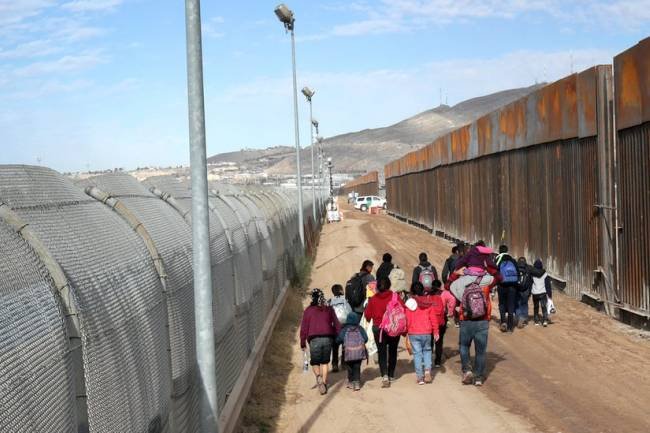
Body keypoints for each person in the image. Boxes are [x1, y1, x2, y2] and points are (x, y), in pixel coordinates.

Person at [458, 268, 501, 386]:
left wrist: (456, 273)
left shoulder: (462, 282)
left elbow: (448, 287)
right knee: (481, 351)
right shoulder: (487, 283)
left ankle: (467, 371)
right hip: (482, 320)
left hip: (466, 319)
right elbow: (499, 277)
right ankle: (478, 378)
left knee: (464, 346)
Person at [300, 289, 342, 395]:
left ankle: (318, 377)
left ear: (312, 298)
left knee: (315, 362)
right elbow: (337, 324)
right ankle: (323, 382)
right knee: (324, 362)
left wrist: (302, 342)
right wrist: (339, 335)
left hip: (314, 339)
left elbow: (304, 327)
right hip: (328, 338)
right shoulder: (329, 309)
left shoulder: (308, 310)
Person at [364, 277, 403, 388]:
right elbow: (403, 309)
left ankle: (384, 375)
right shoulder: (395, 296)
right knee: (393, 350)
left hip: (379, 329)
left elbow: (367, 316)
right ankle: (391, 375)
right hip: (394, 327)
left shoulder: (373, 299)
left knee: (381, 352)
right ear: (389, 285)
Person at [405, 282, 440, 384]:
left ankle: (420, 377)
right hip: (427, 332)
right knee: (427, 351)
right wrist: (436, 331)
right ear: (423, 290)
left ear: (412, 291)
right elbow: (433, 319)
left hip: (413, 332)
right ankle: (428, 371)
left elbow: (407, 319)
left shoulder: (409, 304)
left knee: (417, 354)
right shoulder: (427, 303)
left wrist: (406, 331)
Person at [336, 312, 368, 391]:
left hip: (348, 353)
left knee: (349, 367)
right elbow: (366, 338)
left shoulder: (344, 329)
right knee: (357, 367)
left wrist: (339, 342)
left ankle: (350, 382)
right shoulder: (360, 328)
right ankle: (357, 383)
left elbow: (339, 339)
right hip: (359, 353)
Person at [495, 245, 519, 333]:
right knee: (511, 305)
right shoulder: (512, 260)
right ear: (507, 250)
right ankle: (510, 327)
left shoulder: (498, 259)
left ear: (500, 251)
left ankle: (503, 322)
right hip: (512, 286)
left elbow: (495, 272)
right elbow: (518, 273)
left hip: (501, 285)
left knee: (502, 304)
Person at [328, 284, 351, 372]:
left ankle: (334, 364)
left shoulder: (330, 301)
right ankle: (344, 364)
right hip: (344, 324)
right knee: (345, 344)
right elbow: (349, 311)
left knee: (335, 345)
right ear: (341, 291)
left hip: (334, 325)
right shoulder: (345, 300)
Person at [431, 280, 451, 367]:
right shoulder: (445, 293)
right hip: (441, 319)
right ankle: (438, 362)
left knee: (429, 340)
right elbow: (453, 301)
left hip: (430, 320)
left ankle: (429, 358)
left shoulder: (428, 294)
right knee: (439, 341)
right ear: (440, 286)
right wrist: (450, 312)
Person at [531, 259, 551, 327]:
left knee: (536, 307)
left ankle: (536, 321)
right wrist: (550, 295)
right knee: (543, 307)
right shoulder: (545, 274)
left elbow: (530, 283)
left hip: (535, 293)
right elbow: (547, 285)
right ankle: (545, 320)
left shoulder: (532, 274)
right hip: (542, 293)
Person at [516, 257, 532, 327]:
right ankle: (524, 318)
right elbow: (531, 281)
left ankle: (519, 317)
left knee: (518, 304)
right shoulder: (529, 268)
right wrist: (530, 292)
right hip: (526, 290)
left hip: (517, 289)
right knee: (525, 304)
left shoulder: (515, 267)